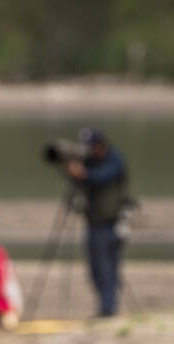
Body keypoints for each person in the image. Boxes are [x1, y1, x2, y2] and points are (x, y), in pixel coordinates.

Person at [65, 127, 130, 318]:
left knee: (107, 267)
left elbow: (103, 177)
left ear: (100, 144)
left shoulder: (114, 159)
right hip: (92, 222)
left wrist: (83, 174)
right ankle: (105, 306)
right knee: (94, 268)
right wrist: (72, 172)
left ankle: (108, 309)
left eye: (91, 147)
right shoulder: (89, 162)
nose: (89, 151)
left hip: (111, 223)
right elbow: (81, 182)